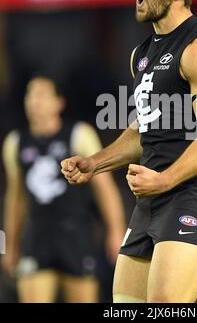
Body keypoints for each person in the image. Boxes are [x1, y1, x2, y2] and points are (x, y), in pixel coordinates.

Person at [61, 0, 197, 303]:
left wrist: (166, 179)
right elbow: (144, 129)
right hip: (151, 199)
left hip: (194, 193)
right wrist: (96, 162)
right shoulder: (142, 55)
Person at [2, 75, 126, 303]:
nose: (34, 101)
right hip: (36, 236)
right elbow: (15, 198)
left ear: (59, 102)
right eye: (31, 94)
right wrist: (11, 244)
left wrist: (116, 230)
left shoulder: (79, 134)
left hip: (76, 235)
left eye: (42, 95)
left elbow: (105, 188)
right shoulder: (15, 143)